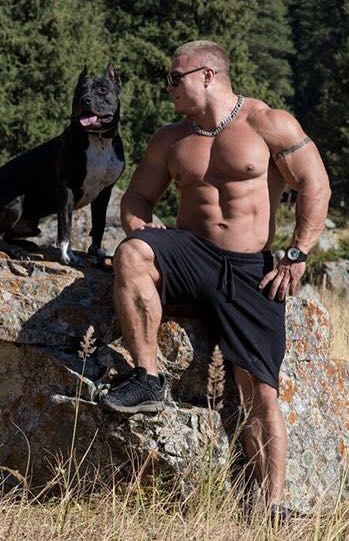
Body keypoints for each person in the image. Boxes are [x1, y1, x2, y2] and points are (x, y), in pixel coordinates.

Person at [101, 40, 331, 514]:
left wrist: (296, 253)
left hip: (250, 268)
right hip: (192, 254)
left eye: (175, 77)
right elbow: (137, 198)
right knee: (131, 253)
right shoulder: (170, 139)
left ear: (207, 75)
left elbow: (315, 182)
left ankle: (269, 508)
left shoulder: (267, 123)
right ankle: (147, 378)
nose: (168, 87)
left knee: (259, 390)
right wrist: (140, 225)